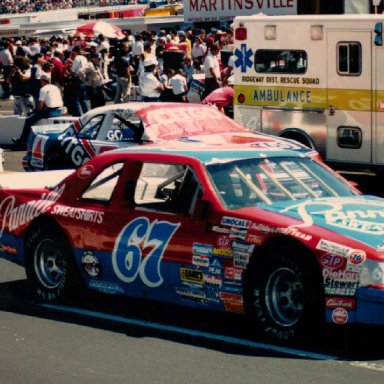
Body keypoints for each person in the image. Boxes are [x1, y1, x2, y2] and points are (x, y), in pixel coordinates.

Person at [12, 73, 63, 149]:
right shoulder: (55, 87)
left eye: (40, 81)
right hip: (59, 110)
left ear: (43, 81)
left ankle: (22, 142)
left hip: (50, 111)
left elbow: (40, 105)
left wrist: (35, 111)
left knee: (29, 120)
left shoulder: (43, 89)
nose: (40, 83)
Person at [71, 45, 89, 116]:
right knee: (83, 97)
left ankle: (79, 114)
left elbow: (73, 70)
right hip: (84, 77)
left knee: (76, 98)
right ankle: (86, 113)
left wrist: (69, 74)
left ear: (75, 52)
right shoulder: (84, 58)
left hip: (77, 78)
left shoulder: (77, 58)